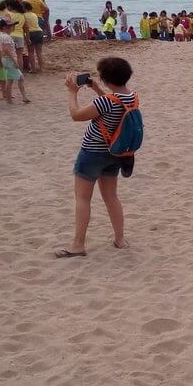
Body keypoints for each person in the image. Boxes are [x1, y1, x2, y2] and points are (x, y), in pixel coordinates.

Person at [57, 57, 138, 258]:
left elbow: (76, 115)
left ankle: (78, 245)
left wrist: (72, 92)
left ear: (105, 79)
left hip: (92, 153)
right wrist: (96, 89)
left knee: (83, 198)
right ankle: (120, 239)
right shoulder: (132, 97)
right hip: (115, 153)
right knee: (111, 197)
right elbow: (114, 102)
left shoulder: (104, 102)